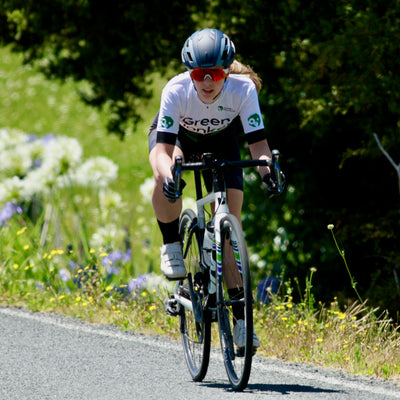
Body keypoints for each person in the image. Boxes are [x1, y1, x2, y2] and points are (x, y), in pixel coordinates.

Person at [148, 28, 282, 348]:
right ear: (189, 73)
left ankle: (241, 321)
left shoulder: (243, 89)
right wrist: (168, 177)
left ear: (227, 71)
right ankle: (171, 243)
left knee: (229, 230)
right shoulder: (176, 90)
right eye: (199, 74)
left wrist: (269, 173)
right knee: (170, 172)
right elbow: (162, 151)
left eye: (216, 74)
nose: (207, 82)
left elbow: (259, 146)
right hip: (179, 140)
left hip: (221, 143)